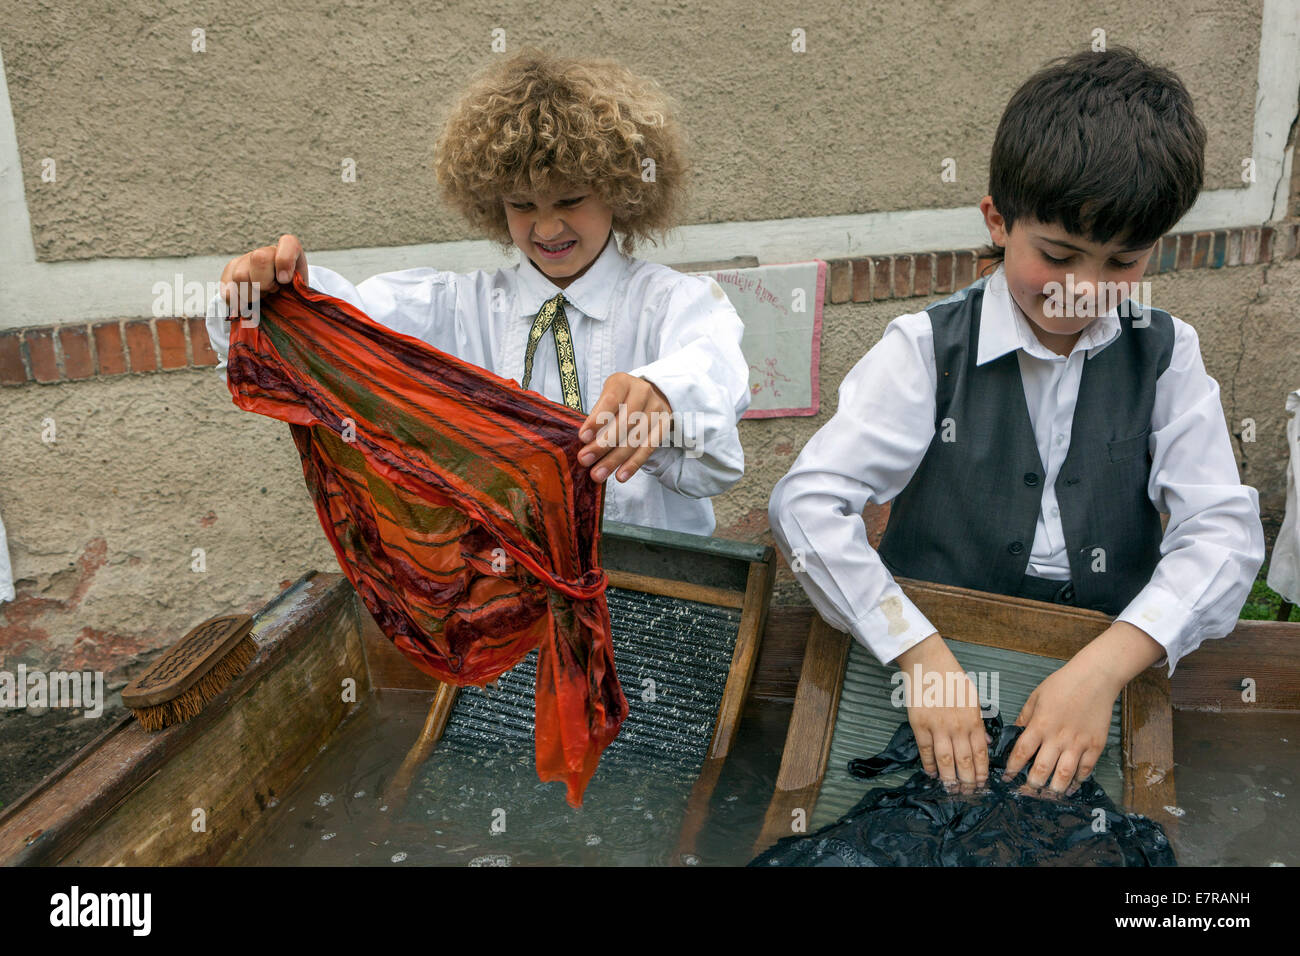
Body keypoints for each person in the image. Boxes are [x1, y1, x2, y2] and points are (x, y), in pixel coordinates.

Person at [768, 47, 1265, 798]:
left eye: (1121, 264)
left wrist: (1102, 670)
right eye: (1060, 255)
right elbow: (806, 505)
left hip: (1098, 682)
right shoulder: (925, 349)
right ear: (998, 221)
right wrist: (919, 654)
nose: (1083, 291)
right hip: (932, 667)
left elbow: (1223, 537)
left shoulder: (1168, 355)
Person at [205, 50, 749, 536]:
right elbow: (348, 323)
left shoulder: (675, 304)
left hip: (658, 599)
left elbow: (712, 381)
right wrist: (274, 293)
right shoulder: (456, 307)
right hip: (511, 596)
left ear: (622, 191)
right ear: (492, 203)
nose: (547, 228)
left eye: (570, 200)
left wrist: (665, 396)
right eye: (522, 205)